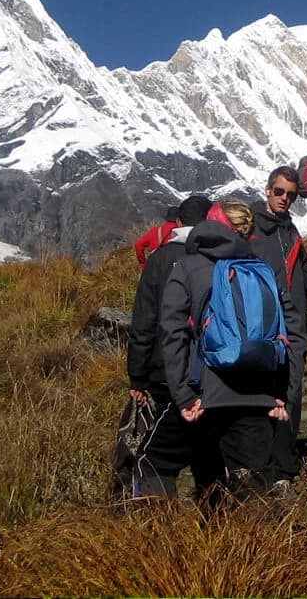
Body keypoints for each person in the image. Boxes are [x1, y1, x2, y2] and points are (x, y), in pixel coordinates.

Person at [159, 199, 307, 500]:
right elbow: (292, 333)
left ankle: (216, 545)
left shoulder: (187, 267)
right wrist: (283, 394)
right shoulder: (262, 270)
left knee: (211, 490)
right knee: (255, 491)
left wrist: (183, 395)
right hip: (259, 394)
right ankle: (260, 546)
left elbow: (172, 334)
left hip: (205, 396)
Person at [126, 194, 213, 496]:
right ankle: (217, 523)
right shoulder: (217, 256)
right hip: (212, 373)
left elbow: (144, 321)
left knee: (156, 459)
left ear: (177, 222)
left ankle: (159, 531)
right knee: (208, 451)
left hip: (165, 371)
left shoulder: (160, 259)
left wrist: (137, 376)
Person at [252, 165, 307, 484]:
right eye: (280, 192)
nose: (285, 199)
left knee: (292, 393)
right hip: (261, 328)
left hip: (294, 328)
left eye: (291, 195)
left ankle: (282, 469)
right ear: (268, 190)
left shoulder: (291, 231)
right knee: (259, 394)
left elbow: (302, 286)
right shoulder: (250, 229)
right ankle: (255, 464)